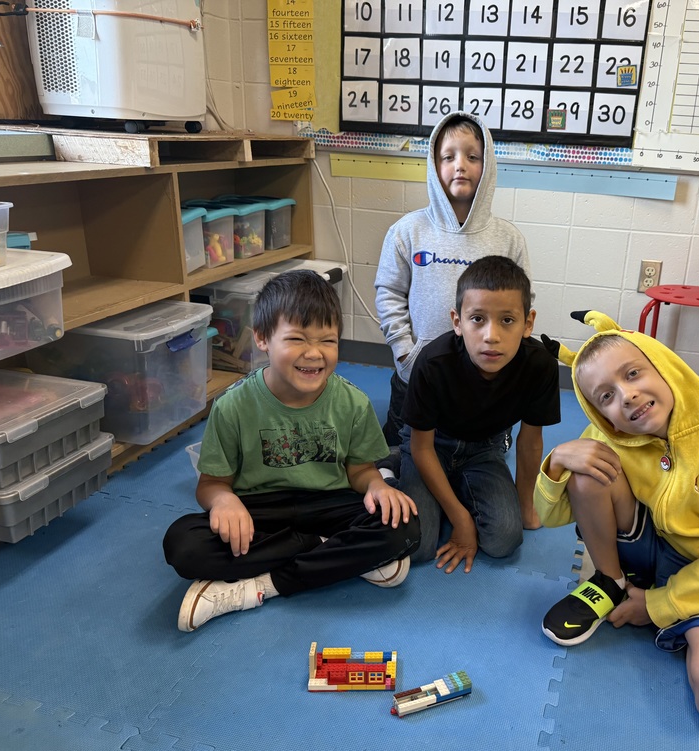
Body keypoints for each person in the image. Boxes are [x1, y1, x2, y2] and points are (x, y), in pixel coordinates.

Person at [535, 311, 699, 726]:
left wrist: (658, 604)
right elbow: (552, 513)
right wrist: (556, 461)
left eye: (632, 374)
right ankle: (610, 582)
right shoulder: (611, 435)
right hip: (639, 549)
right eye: (605, 397)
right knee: (587, 469)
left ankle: (657, 604)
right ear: (598, 414)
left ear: (664, 365)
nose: (626, 396)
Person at [163, 271, 420, 632]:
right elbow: (210, 484)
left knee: (404, 527)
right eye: (296, 339)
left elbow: (360, 470)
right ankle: (332, 552)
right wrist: (223, 501)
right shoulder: (232, 407)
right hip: (262, 512)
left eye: (327, 341)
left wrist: (377, 485)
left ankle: (261, 586)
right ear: (262, 338)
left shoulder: (352, 402)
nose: (313, 354)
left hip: (328, 503)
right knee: (183, 544)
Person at [375, 111, 532, 453]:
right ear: (434, 165)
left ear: (487, 165)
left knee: (475, 467)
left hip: (483, 382)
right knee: (399, 460)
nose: (460, 165)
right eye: (449, 157)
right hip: (414, 375)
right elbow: (389, 293)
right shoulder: (407, 231)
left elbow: (521, 305)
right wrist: (405, 352)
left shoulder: (507, 239)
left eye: (472, 157)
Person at [399, 256, 560, 574]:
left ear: (528, 323)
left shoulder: (539, 365)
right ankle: (394, 468)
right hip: (431, 445)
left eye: (507, 321)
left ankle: (453, 490)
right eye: (477, 319)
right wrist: (461, 520)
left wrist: (525, 505)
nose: (491, 336)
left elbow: (530, 443)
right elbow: (421, 447)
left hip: (485, 448)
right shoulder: (433, 363)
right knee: (417, 546)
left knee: (504, 541)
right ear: (457, 321)